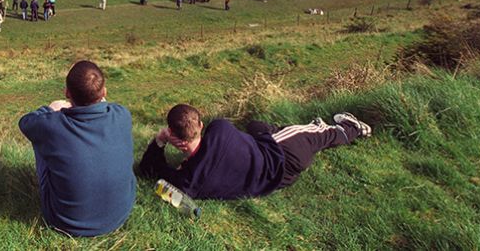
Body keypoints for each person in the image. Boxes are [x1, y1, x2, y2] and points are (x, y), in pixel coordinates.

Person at [139, 104, 371, 200]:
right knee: (322, 133)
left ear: (172, 134)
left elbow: (148, 168)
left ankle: (280, 130)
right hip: (282, 154)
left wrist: (160, 141)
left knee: (257, 128)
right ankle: (355, 127)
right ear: (200, 125)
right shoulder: (219, 127)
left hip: (280, 179)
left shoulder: (188, 183)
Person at [18, 60, 136, 237]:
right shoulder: (122, 114)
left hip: (65, 221)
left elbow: (25, 123)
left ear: (67, 93)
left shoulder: (52, 126)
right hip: (120, 213)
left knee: (40, 136)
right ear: (104, 92)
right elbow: (106, 105)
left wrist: (51, 108)